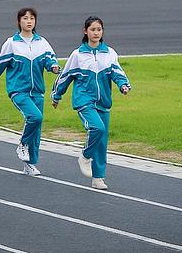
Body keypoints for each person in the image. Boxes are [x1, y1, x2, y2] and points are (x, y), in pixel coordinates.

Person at [52, 16, 131, 190]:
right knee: (97, 128)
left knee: (102, 140)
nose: (96, 33)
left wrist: (123, 85)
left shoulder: (109, 53)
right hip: (84, 100)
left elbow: (117, 72)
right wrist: (56, 95)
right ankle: (85, 156)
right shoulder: (77, 55)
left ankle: (98, 177)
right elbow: (65, 76)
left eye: (99, 29)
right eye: (93, 29)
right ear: (85, 31)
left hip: (104, 102)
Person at [0, 8, 60, 177]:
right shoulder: (11, 43)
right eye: (25, 18)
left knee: (37, 129)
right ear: (19, 22)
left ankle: (30, 164)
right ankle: (22, 144)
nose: (29, 21)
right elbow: (0, 63)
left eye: (32, 18)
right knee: (35, 117)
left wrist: (53, 66)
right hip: (18, 90)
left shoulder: (42, 42)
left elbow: (50, 59)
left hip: (37, 91)